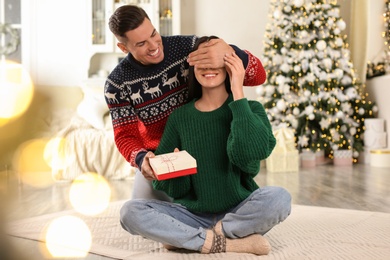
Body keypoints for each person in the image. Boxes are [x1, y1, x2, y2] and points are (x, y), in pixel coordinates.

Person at [119, 36, 292, 255]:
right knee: (130, 212)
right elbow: (175, 189)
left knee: (280, 198)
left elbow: (250, 158)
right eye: (203, 62)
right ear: (193, 67)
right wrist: (176, 170)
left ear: (229, 66)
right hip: (191, 215)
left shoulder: (251, 109)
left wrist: (238, 92)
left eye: (216, 62)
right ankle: (226, 243)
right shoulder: (180, 117)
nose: (209, 67)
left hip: (239, 211)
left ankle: (189, 239)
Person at [104, 5, 267, 201]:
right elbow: (125, 135)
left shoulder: (188, 47)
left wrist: (231, 51)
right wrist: (141, 159)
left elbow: (257, 77)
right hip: (164, 161)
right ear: (123, 48)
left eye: (154, 34)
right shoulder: (117, 83)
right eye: (141, 44)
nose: (154, 45)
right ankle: (200, 228)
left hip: (207, 147)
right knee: (136, 212)